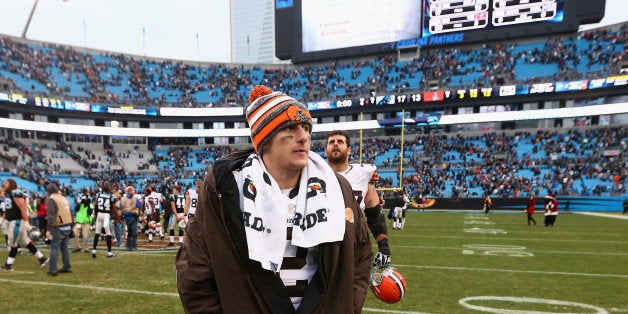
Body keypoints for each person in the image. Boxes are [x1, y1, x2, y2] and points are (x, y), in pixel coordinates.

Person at [176, 85, 372, 313]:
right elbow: (195, 268)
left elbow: (360, 254)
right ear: (265, 140)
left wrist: (347, 307)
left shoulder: (337, 187)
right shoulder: (228, 187)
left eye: (306, 127)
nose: (303, 137)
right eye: (290, 128)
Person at [325, 130, 392, 267]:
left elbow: (374, 214)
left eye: (340, 142)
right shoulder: (314, 174)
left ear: (349, 150)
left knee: (354, 287)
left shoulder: (364, 173)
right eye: (331, 142)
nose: (336, 144)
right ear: (326, 150)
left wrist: (384, 248)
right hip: (325, 242)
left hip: (356, 242)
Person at [0, 179, 48, 271]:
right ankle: (42, 258)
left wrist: (26, 223)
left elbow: (23, 208)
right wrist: (2, 220)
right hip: (12, 221)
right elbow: (7, 210)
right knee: (26, 242)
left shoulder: (16, 193)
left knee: (13, 243)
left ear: (11, 184)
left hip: (17, 221)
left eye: (6, 182)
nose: (4, 184)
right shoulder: (8, 194)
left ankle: (8, 265)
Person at [45, 183, 73, 276]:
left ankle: (53, 269)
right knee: (64, 248)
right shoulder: (64, 198)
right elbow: (70, 213)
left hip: (59, 227)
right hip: (67, 226)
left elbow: (51, 216)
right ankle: (67, 266)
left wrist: (48, 229)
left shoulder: (51, 199)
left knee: (55, 248)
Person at [91, 183, 118, 258]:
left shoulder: (98, 195)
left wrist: (96, 215)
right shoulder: (111, 196)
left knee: (97, 233)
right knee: (108, 234)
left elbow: (95, 206)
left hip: (99, 215)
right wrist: (117, 217)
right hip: (106, 216)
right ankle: (109, 252)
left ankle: (94, 250)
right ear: (108, 189)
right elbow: (114, 209)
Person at [120, 185, 142, 251]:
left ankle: (128, 246)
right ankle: (134, 246)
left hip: (126, 217)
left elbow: (120, 207)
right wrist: (139, 212)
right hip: (133, 216)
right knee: (134, 232)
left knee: (129, 232)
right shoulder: (135, 198)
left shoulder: (123, 198)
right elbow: (139, 205)